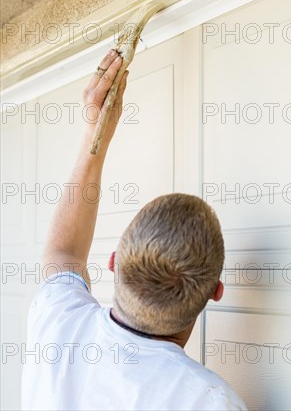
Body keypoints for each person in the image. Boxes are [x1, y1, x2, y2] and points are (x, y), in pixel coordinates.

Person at [21, 48, 247, 411]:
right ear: (215, 293)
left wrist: (97, 132)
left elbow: (63, 252)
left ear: (113, 262)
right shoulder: (210, 401)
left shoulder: (59, 321)